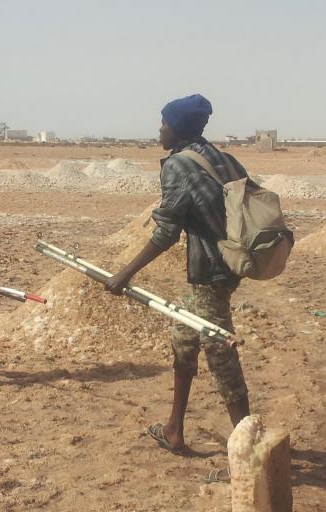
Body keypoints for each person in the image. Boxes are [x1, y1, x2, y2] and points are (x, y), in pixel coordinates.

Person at [104, 94, 250, 454]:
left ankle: (250, 448)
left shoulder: (179, 165)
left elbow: (167, 232)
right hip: (230, 265)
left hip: (211, 271)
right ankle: (174, 429)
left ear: (178, 128)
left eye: (164, 123)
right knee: (184, 337)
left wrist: (124, 274)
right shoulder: (223, 158)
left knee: (220, 353)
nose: (160, 129)